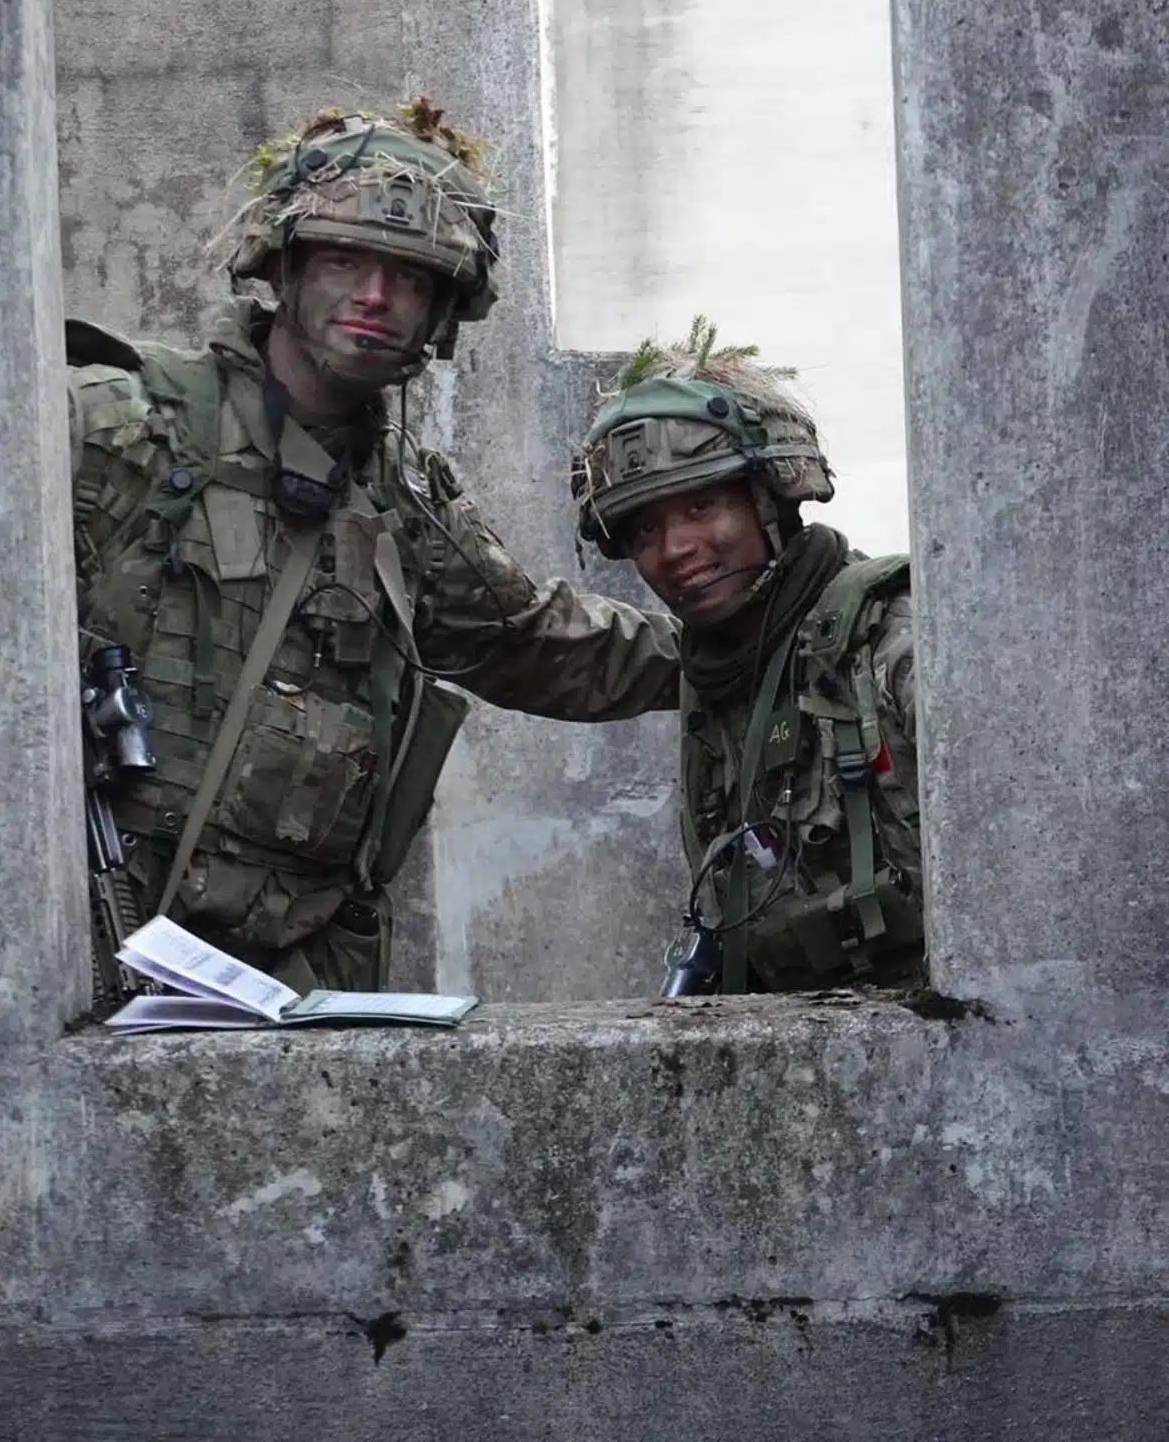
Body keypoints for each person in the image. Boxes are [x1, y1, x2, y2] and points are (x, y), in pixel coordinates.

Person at [70, 100, 679, 994]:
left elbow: (540, 645)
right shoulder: (121, 425)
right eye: (344, 261)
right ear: (282, 268)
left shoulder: (407, 507)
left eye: (410, 278)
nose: (375, 297)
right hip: (91, 945)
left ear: (441, 314)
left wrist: (751, 641)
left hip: (283, 987)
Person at [573, 320, 922, 996]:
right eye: (644, 529)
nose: (675, 550)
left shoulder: (891, 642)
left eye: (702, 505)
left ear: (771, 499)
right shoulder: (718, 679)